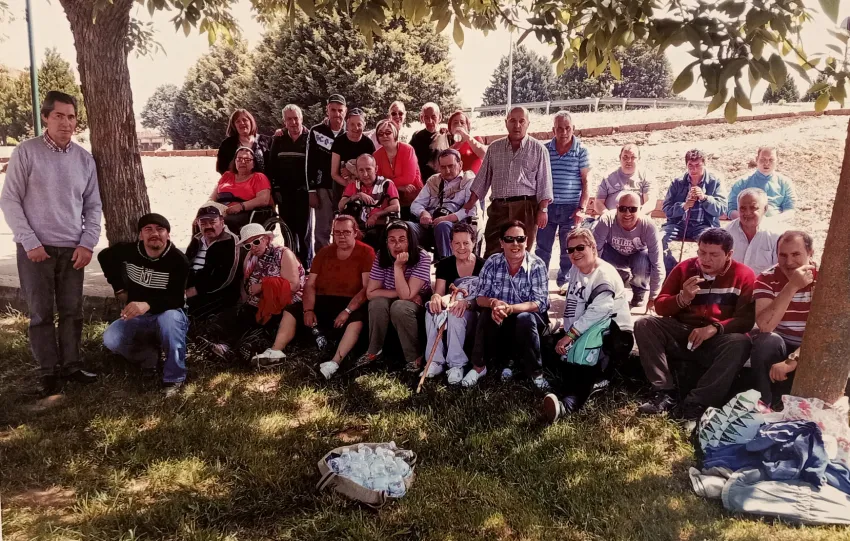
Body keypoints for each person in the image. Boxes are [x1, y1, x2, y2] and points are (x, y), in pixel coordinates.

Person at [0, 91, 102, 396]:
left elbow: (93, 205)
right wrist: (29, 242)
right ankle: (48, 371)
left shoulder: (84, 159)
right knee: (41, 312)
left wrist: (87, 243)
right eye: (59, 116)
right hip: (37, 250)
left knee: (72, 311)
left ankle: (71, 365)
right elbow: (10, 199)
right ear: (46, 117)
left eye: (71, 117)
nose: (66, 123)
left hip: (73, 250)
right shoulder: (26, 152)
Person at [634, 228, 755, 421]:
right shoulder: (685, 268)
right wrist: (682, 299)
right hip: (683, 332)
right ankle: (664, 392)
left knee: (741, 342)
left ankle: (697, 403)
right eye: (702, 253)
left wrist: (715, 328)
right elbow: (660, 306)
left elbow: (746, 320)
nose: (706, 260)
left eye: (714, 255)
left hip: (717, 337)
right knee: (645, 324)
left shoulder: (744, 275)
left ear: (729, 254)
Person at [542, 228, 634, 421]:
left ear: (593, 247)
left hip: (615, 335)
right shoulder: (577, 269)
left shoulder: (603, 274)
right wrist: (566, 330)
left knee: (584, 357)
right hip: (588, 327)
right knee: (550, 344)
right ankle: (567, 384)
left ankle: (567, 405)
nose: (575, 253)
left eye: (580, 248)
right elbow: (575, 306)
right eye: (570, 250)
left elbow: (599, 311)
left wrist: (571, 335)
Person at [99, 214, 190, 397]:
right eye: (148, 229)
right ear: (140, 235)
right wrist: (119, 288)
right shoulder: (129, 251)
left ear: (168, 235)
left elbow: (176, 299)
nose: (154, 234)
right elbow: (104, 256)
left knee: (171, 319)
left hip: (167, 314)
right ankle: (148, 358)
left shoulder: (178, 260)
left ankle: (174, 377)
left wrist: (147, 304)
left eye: (160, 229)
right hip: (139, 317)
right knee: (111, 338)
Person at [463, 220, 551, 390]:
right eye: (509, 239)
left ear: (527, 241)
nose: (515, 244)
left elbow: (540, 303)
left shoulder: (537, 265)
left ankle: (536, 373)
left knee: (525, 317)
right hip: (500, 317)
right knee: (487, 312)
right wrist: (494, 303)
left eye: (520, 239)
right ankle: (478, 367)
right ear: (501, 243)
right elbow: (480, 298)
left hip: (529, 321)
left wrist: (511, 309)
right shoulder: (492, 262)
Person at [463, 107, 553, 258]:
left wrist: (543, 210)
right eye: (512, 120)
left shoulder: (539, 149)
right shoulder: (494, 148)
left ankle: (517, 282)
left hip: (525, 208)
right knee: (492, 251)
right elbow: (482, 179)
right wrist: (469, 204)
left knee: (520, 254)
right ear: (506, 123)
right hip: (499, 208)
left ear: (528, 124)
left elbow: (545, 181)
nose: (517, 125)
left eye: (521, 121)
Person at [303, 215, 376, 379]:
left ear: (355, 232)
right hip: (325, 298)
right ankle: (277, 350)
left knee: (357, 320)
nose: (341, 236)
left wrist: (347, 310)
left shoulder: (366, 252)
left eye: (346, 232)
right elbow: (310, 284)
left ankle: (334, 363)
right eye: (337, 233)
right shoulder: (324, 252)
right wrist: (308, 309)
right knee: (291, 311)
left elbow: (366, 288)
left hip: (351, 302)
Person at [751, 231, 817, 408]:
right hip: (780, 345)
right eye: (783, 255)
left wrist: (793, 360)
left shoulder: (823, 279)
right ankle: (766, 403)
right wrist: (792, 286)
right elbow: (765, 325)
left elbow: (825, 335)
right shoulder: (767, 278)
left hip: (812, 347)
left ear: (810, 253)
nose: (789, 262)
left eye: (796, 254)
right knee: (765, 341)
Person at [356, 221, 432, 372]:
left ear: (410, 240)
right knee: (377, 303)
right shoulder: (381, 255)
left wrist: (398, 268)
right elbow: (371, 293)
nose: (397, 245)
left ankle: (414, 357)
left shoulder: (422, 257)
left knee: (400, 306)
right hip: (399, 297)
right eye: (392, 240)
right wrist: (403, 293)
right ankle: (374, 350)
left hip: (418, 304)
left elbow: (406, 296)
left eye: (402, 239)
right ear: (386, 242)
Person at [232, 223, 306, 368]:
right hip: (260, 303)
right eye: (248, 245)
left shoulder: (283, 254)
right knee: (237, 318)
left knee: (263, 324)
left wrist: (262, 287)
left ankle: (257, 350)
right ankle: (226, 346)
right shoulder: (250, 257)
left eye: (256, 241)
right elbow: (245, 282)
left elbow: (293, 286)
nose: (253, 247)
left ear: (266, 239)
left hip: (285, 303)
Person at [423, 223, 485, 384]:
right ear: (450, 244)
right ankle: (435, 361)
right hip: (451, 303)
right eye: (456, 243)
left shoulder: (483, 265)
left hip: (473, 309)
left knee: (456, 313)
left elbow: (485, 298)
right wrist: (436, 298)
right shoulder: (444, 264)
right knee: (432, 309)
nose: (461, 247)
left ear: (473, 243)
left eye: (466, 243)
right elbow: (439, 291)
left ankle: (456, 365)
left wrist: (467, 303)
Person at [535, 111, 590, 287]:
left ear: (573, 129)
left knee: (569, 248)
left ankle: (564, 281)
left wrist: (581, 208)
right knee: (543, 247)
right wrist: (541, 208)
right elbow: (539, 179)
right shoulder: (544, 149)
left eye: (567, 128)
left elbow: (586, 181)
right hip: (548, 207)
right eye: (560, 128)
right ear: (553, 130)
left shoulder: (581, 151)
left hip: (571, 207)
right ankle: (539, 281)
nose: (564, 132)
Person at [592, 192, 665, 310]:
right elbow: (593, 254)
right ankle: (605, 289)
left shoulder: (648, 226)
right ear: (617, 208)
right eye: (623, 208)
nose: (627, 213)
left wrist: (653, 297)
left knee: (643, 260)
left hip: (637, 256)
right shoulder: (607, 220)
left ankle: (639, 292)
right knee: (595, 255)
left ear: (640, 209)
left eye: (633, 209)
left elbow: (657, 264)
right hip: (612, 255)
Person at [660, 148, 727, 274]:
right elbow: (666, 208)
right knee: (658, 240)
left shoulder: (715, 181)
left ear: (704, 164)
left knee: (712, 245)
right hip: (679, 224)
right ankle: (674, 271)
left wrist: (705, 198)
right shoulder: (678, 182)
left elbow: (722, 208)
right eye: (690, 165)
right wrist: (683, 207)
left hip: (704, 225)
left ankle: (702, 274)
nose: (694, 169)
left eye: (698, 165)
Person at [408, 149, 477, 261]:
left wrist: (447, 218)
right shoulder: (434, 181)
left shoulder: (469, 181)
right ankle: (410, 267)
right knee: (406, 228)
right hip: (430, 224)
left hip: (455, 226)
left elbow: (471, 210)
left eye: (451, 166)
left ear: (460, 164)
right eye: (443, 167)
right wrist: (423, 213)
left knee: (443, 226)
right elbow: (416, 204)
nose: (447, 170)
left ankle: (446, 266)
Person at [267, 104, 312, 265]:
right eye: (289, 119)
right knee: (288, 232)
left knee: (305, 233)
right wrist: (275, 190)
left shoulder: (310, 138)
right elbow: (271, 167)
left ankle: (306, 265)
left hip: (304, 194)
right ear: (284, 122)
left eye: (296, 118)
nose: (293, 122)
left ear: (301, 119)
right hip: (284, 194)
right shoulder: (278, 139)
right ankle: (291, 264)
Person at [185, 202, 241, 319]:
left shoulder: (229, 241)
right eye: (203, 223)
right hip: (192, 286)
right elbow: (185, 265)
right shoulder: (197, 239)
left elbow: (225, 278)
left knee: (183, 310)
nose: (208, 226)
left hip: (217, 293)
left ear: (222, 222)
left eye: (212, 222)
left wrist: (193, 291)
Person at [306, 94, 347, 252]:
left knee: (345, 228)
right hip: (322, 187)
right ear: (327, 110)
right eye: (333, 110)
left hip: (345, 187)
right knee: (322, 229)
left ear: (345, 111)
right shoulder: (316, 131)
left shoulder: (350, 131)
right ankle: (322, 265)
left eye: (340, 110)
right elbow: (309, 163)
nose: (337, 114)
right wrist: (311, 190)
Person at [338, 154, 401, 249]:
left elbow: (396, 206)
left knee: (371, 236)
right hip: (358, 227)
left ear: (376, 169)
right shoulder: (353, 186)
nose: (365, 174)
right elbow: (340, 206)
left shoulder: (386, 184)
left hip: (380, 226)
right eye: (361, 170)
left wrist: (376, 215)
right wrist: (356, 196)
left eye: (368, 169)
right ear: (357, 171)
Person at [211, 146, 273, 233]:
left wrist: (241, 206)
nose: (242, 162)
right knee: (201, 221)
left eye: (247, 160)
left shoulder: (258, 177)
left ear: (254, 163)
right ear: (235, 161)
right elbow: (213, 197)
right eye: (239, 159)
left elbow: (263, 200)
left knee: (226, 222)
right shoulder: (227, 175)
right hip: (222, 209)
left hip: (245, 212)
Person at [728, 147, 796, 223]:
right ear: (757, 159)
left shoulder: (785, 183)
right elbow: (731, 210)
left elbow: (790, 210)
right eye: (763, 159)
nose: (766, 163)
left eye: (771, 160)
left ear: (777, 161)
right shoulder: (742, 182)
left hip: (776, 224)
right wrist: (750, 222)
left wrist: (772, 221)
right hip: (747, 226)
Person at [725, 188, 781, 275]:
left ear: (765, 209)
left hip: (765, 287)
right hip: (734, 286)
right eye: (743, 208)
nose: (747, 213)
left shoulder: (777, 234)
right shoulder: (726, 233)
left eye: (753, 208)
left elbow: (780, 268)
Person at [373, 119, 422, 216]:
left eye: (388, 133)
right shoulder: (376, 155)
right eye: (380, 134)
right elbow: (378, 181)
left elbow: (409, 178)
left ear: (394, 134)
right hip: (389, 199)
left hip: (413, 197)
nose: (384, 136)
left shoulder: (407, 150)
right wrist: (400, 187)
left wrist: (387, 183)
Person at [594, 143, 657, 216]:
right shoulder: (608, 177)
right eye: (625, 157)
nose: (629, 160)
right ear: (620, 158)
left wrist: (637, 215)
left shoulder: (646, 176)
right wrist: (608, 216)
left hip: (637, 219)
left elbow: (650, 203)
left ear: (639, 159)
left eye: (633, 157)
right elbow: (598, 203)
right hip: (611, 220)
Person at [330, 108, 376, 206]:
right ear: (347, 123)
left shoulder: (368, 144)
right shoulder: (339, 142)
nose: (356, 128)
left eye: (359, 124)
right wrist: (352, 187)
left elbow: (373, 171)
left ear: (364, 124)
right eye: (352, 124)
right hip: (342, 188)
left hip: (365, 190)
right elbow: (334, 174)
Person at [216, 109, 272, 174]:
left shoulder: (267, 141)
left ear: (251, 122)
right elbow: (221, 168)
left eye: (245, 120)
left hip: (263, 182)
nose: (242, 123)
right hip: (237, 183)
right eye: (237, 121)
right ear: (234, 126)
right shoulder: (227, 144)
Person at [408, 102, 445, 180]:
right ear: (422, 118)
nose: (430, 121)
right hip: (422, 183)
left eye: (433, 117)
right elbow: (409, 159)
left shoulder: (445, 136)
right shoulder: (416, 136)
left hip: (441, 182)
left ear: (440, 117)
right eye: (426, 117)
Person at [447, 110, 487, 174]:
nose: (459, 125)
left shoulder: (476, 139)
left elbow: (485, 154)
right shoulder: (449, 150)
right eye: (455, 123)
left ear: (467, 128)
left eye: (462, 122)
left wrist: (466, 135)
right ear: (450, 129)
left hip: (476, 181)